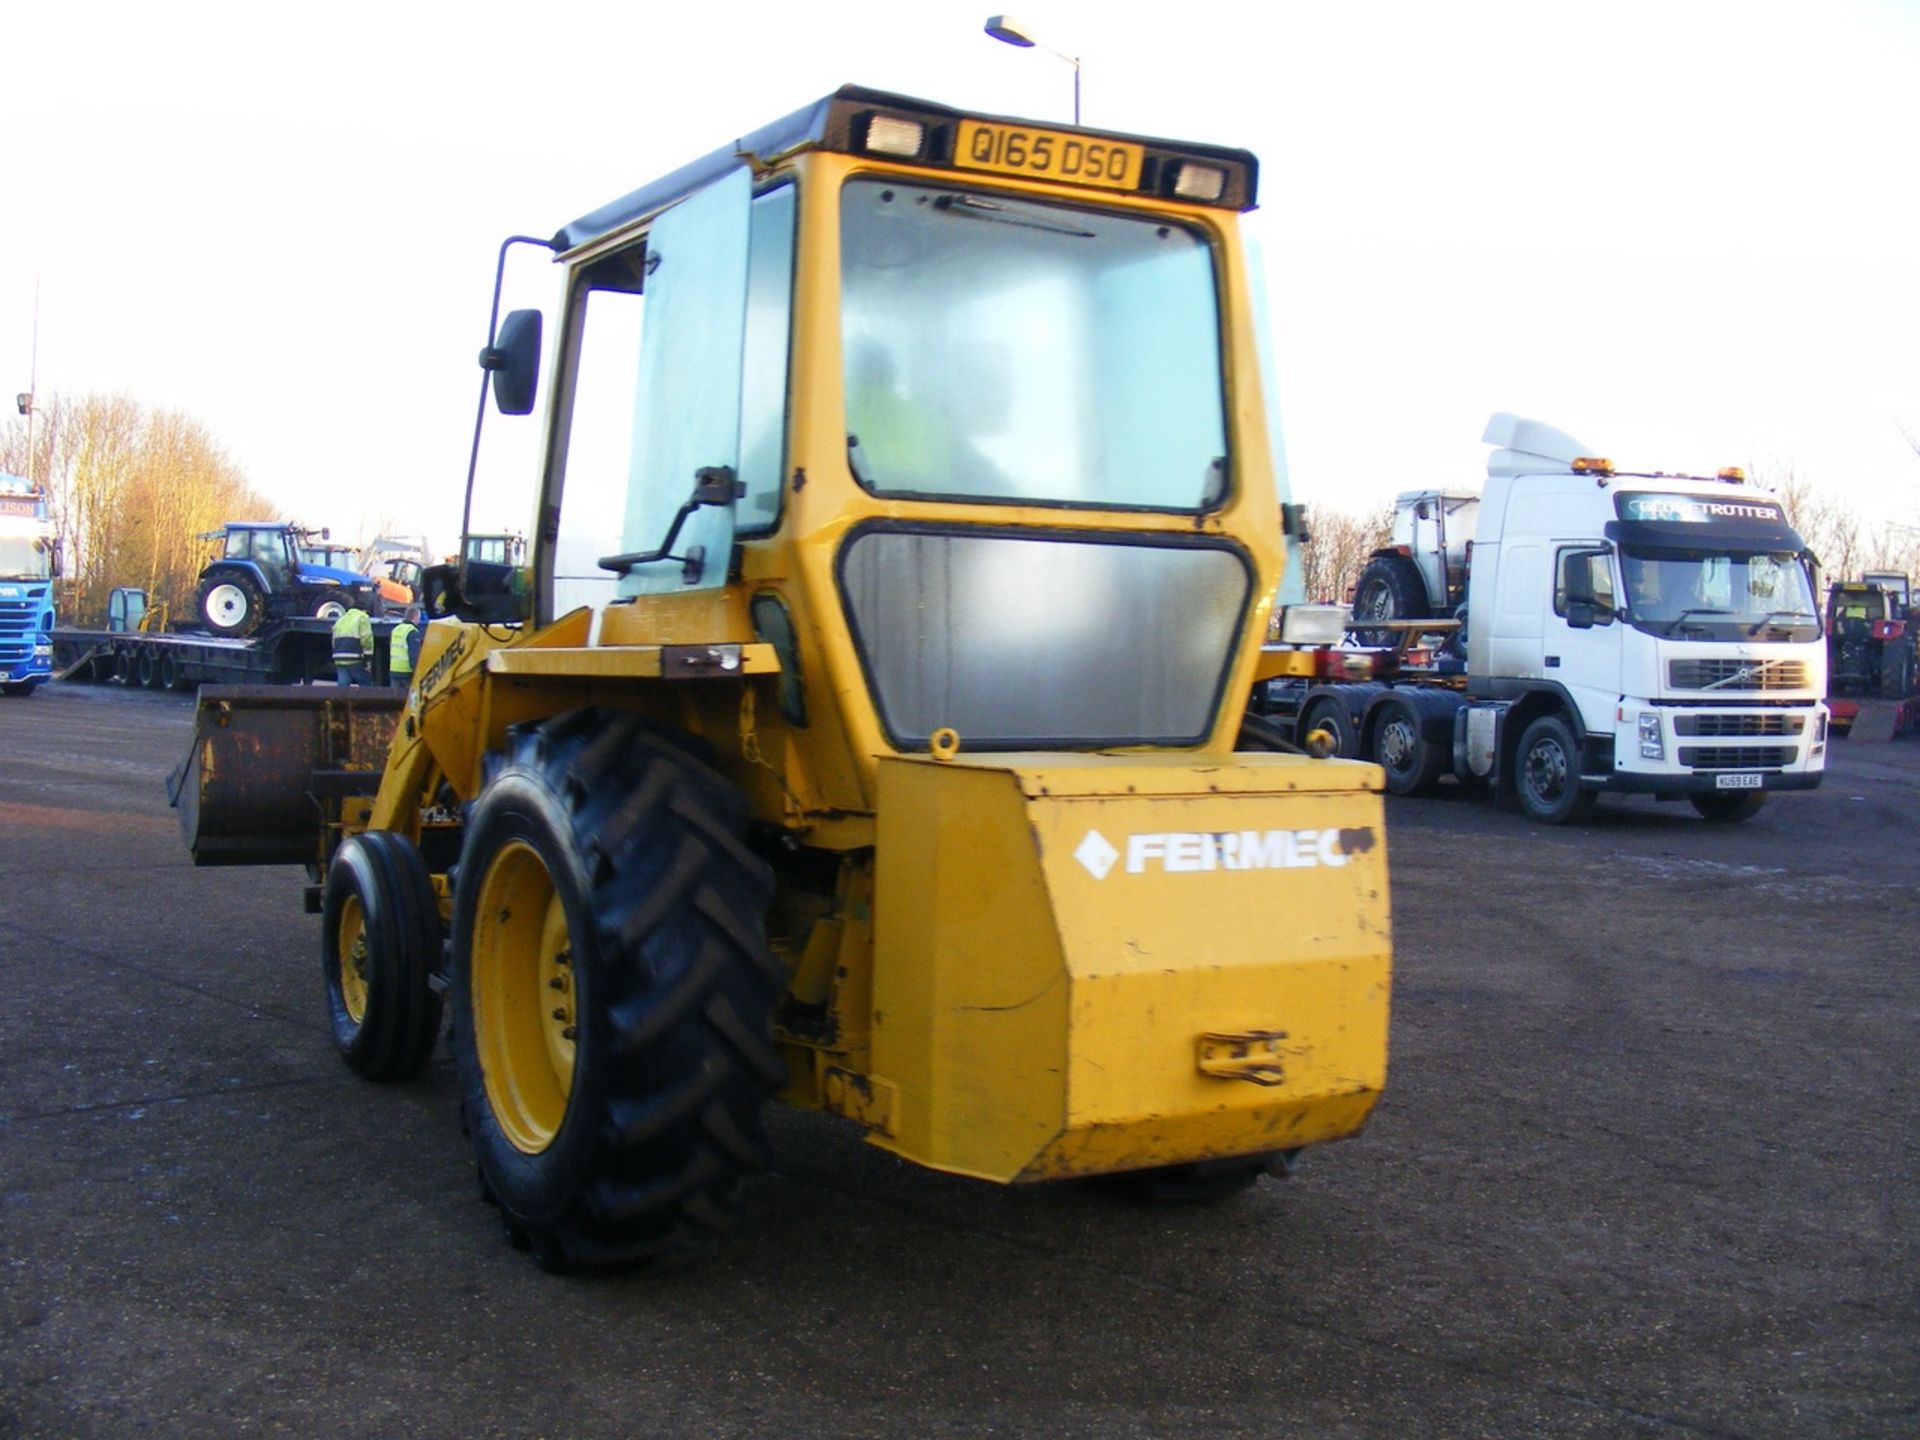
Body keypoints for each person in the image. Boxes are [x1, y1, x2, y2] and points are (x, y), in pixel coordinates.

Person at [330, 596, 374, 687]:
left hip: (338, 656)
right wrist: (368, 659)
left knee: (343, 686)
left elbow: (333, 640)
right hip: (354, 657)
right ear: (364, 610)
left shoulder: (341, 619)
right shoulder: (362, 617)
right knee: (366, 684)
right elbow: (366, 638)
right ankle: (368, 701)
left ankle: (340, 701)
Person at [388, 607, 422, 688]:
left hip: (394, 670)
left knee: (395, 698)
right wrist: (417, 671)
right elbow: (414, 654)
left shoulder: (395, 629)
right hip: (407, 672)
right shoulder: (412, 631)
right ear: (415, 617)